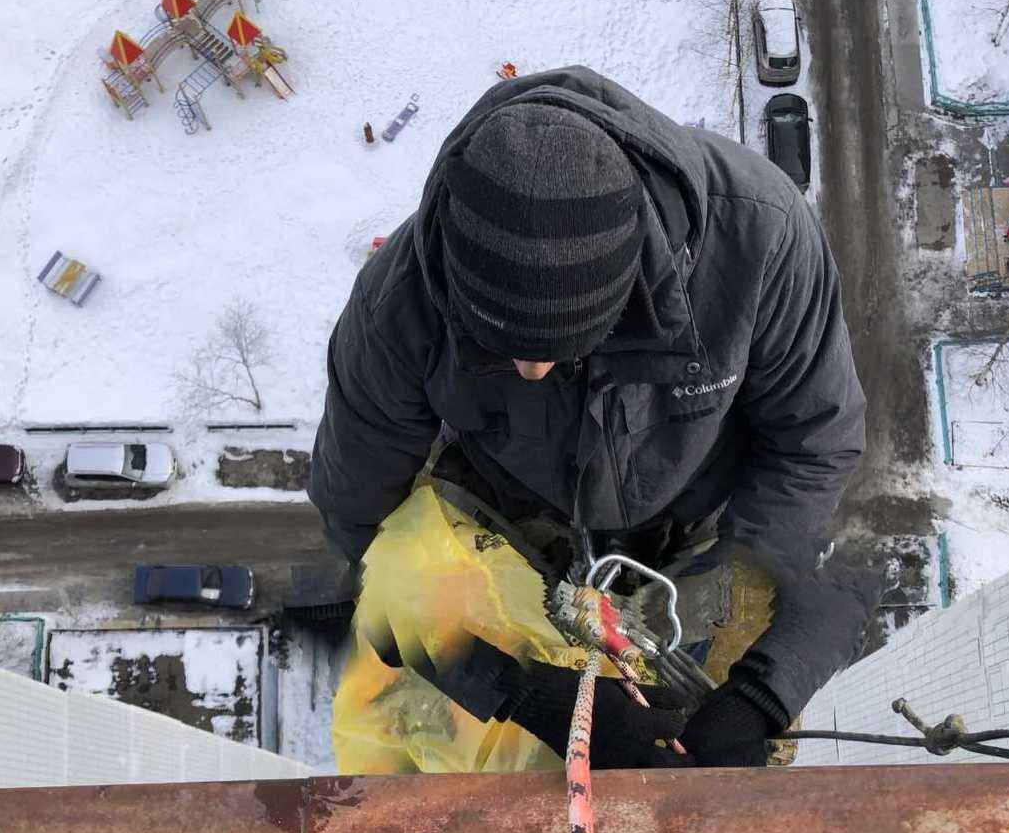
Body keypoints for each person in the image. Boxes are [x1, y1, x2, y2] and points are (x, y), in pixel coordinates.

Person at [310, 67, 874, 769]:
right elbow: (367, 532)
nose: (531, 374)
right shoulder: (396, 309)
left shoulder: (761, 240)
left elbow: (811, 442)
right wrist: (519, 689)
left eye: (559, 350)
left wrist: (750, 659)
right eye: (499, 347)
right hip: (512, 521)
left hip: (697, 519)